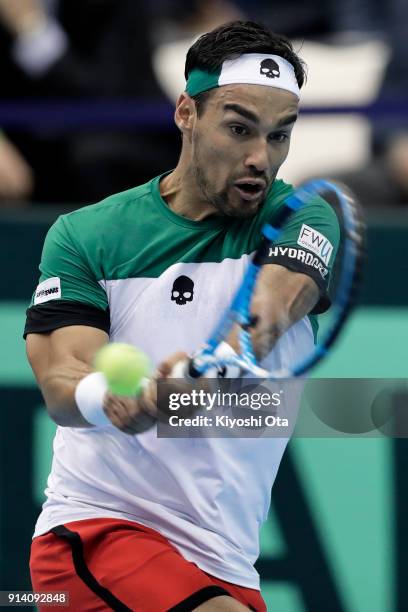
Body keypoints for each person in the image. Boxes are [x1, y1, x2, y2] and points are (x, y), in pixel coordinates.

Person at [25, 20, 339, 611]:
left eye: (278, 136)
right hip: (98, 535)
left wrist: (206, 374)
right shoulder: (86, 234)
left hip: (224, 560)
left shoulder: (303, 214)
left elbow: (266, 315)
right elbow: (61, 376)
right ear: (186, 113)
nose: (258, 159)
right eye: (239, 128)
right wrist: (115, 398)